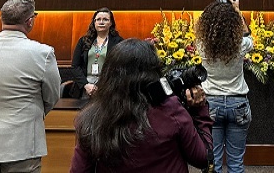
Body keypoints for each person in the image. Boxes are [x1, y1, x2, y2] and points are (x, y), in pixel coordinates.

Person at [69, 39, 213, 173]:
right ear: (154, 72)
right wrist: (199, 111)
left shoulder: (92, 117)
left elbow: (79, 170)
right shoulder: (170, 109)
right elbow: (202, 158)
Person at [0, 0, 61, 171]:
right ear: (30, 22)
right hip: (22, 145)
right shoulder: (43, 53)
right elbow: (52, 96)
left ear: (2, 19)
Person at [197, 0, 253, 173]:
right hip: (238, 103)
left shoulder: (202, 44)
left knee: (213, 161)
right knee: (236, 162)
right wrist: (236, 11)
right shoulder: (240, 44)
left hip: (211, 103)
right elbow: (248, 37)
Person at [69, 8, 124, 98]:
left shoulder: (118, 42)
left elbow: (119, 68)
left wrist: (100, 86)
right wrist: (86, 85)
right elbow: (75, 66)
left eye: (105, 19)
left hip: (107, 88)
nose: (101, 22)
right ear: (94, 22)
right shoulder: (84, 41)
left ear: (111, 23)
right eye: (98, 19)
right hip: (85, 89)